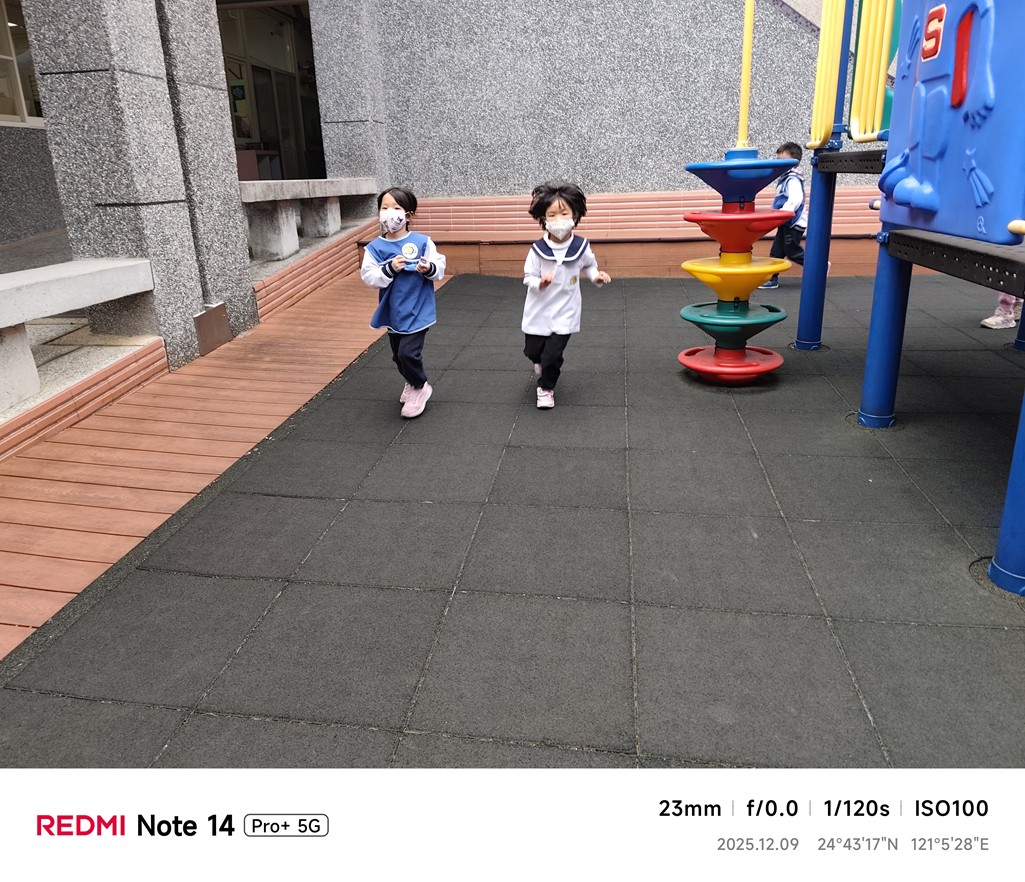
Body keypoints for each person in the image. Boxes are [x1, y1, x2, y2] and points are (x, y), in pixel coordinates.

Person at [522, 181, 611, 409]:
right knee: (533, 351)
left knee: (552, 356)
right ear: (543, 218)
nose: (559, 220)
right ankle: (540, 362)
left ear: (575, 215)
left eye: (564, 213)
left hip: (566, 310)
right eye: (552, 215)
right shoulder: (537, 250)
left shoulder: (581, 246)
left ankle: (546, 388)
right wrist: (540, 283)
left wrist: (596, 277)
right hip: (538, 309)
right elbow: (528, 276)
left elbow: (589, 266)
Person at [360, 187, 446, 418]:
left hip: (418, 309)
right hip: (393, 312)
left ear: (408, 215)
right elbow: (369, 276)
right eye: (384, 208)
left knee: (408, 354)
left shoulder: (422, 242)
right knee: (398, 356)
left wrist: (429, 268)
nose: (390, 213)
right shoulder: (375, 248)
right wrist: (389, 268)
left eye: (396, 208)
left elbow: (439, 267)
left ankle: (420, 386)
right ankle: (411, 380)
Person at [760, 142, 808, 289]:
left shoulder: (793, 179)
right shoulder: (784, 179)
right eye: (778, 160)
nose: (779, 164)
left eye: (783, 161)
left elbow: (795, 199)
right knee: (776, 252)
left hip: (794, 223)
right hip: (785, 222)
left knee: (792, 252)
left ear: (793, 163)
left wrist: (784, 212)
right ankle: (772, 279)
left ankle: (818, 266)